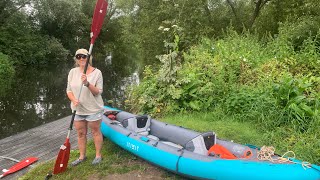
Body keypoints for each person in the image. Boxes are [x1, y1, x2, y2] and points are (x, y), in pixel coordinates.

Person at [66, 48, 104, 166]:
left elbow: (98, 92)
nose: (81, 59)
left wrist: (87, 83)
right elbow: (68, 90)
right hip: (78, 110)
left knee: (95, 132)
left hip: (93, 108)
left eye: (83, 56)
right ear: (76, 59)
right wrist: (73, 99)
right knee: (81, 133)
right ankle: (82, 156)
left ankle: (98, 155)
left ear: (89, 57)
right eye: (78, 57)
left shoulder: (97, 73)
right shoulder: (72, 72)